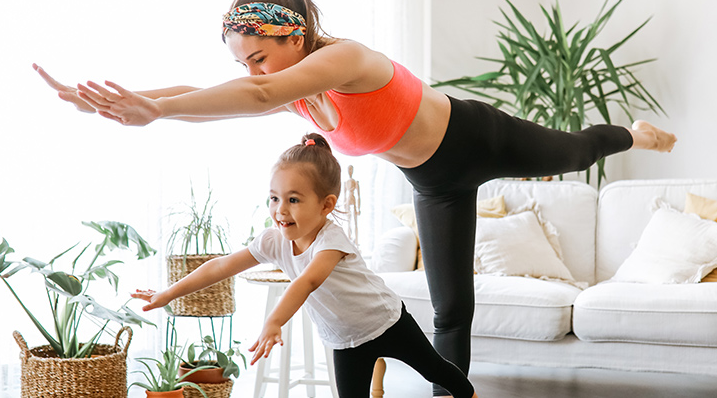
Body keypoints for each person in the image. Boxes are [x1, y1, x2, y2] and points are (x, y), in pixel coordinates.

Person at [37, 0, 676, 397]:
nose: (253, 70)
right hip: (432, 179)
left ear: (293, 36)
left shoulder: (342, 59)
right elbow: (199, 89)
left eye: (258, 55)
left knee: (573, 150)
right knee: (453, 307)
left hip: (477, 136)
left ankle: (633, 133)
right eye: (244, 61)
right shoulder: (293, 88)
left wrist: (158, 114)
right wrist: (117, 100)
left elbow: (255, 93)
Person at [131, 134, 479, 398]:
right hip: (346, 340)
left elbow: (308, 282)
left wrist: (273, 322)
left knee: (436, 370)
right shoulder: (273, 240)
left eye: (294, 200)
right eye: (274, 198)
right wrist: (168, 293)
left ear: (326, 204)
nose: (281, 210)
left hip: (387, 321)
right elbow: (220, 266)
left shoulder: (332, 241)